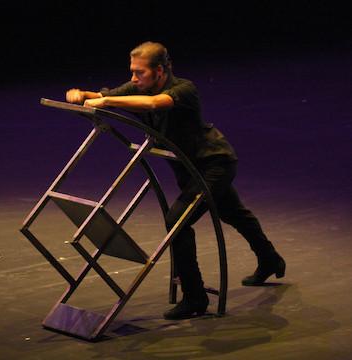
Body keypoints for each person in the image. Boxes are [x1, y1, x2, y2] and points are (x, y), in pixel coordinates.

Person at [66, 41, 286, 320]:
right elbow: (102, 94)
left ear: (160, 71)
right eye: (132, 72)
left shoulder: (184, 89)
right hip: (188, 169)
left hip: (213, 164)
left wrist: (106, 100)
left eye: (140, 72)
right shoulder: (139, 88)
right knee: (234, 213)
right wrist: (81, 95)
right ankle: (270, 259)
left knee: (177, 222)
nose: (134, 78)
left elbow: (155, 103)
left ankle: (194, 296)